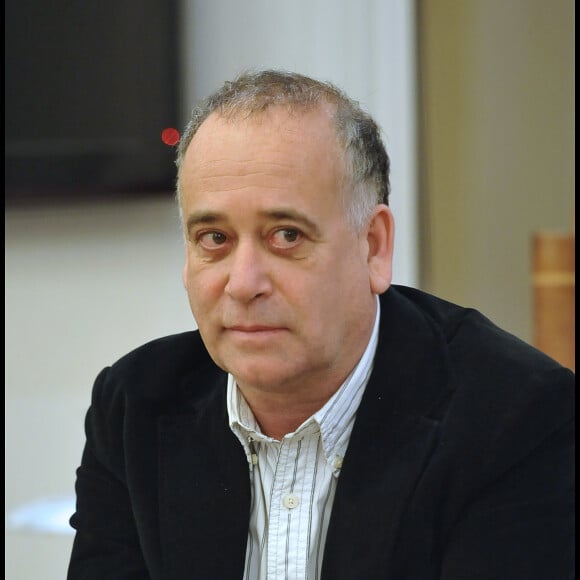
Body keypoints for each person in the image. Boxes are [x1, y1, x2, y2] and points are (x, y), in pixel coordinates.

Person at [67, 70, 574, 580]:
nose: (243, 284)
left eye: (286, 235)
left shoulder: (514, 416)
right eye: (214, 238)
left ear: (373, 246)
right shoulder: (134, 406)